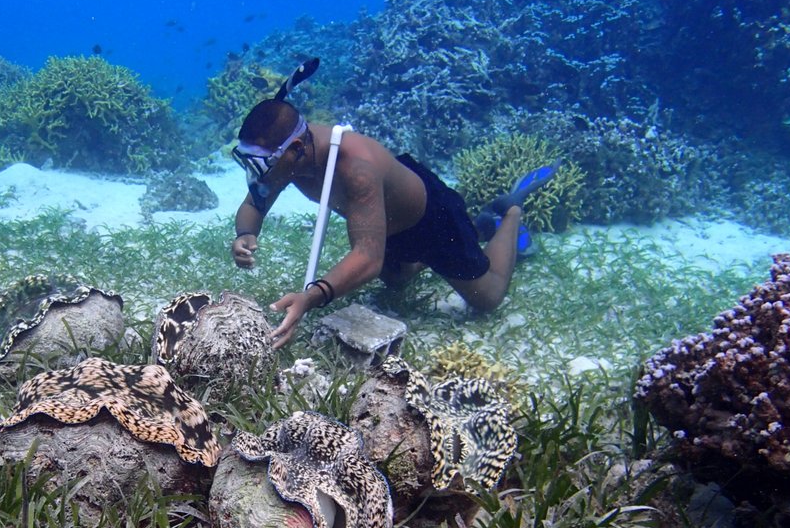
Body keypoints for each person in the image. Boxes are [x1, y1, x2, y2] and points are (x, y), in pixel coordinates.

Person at [230, 61, 557, 349]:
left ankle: (511, 212)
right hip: (385, 221)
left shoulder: (355, 166)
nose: (256, 174)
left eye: (260, 165)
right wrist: (244, 234)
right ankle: (482, 225)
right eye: (248, 162)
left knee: (487, 297)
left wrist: (311, 297)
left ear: (296, 148)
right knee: (396, 282)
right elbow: (253, 204)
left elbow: (368, 257)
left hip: (431, 220)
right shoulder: (287, 159)